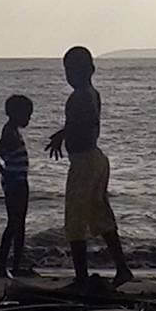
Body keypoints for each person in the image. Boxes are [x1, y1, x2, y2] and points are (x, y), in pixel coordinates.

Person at [47, 46, 132, 289]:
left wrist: (64, 134)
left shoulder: (80, 96)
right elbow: (86, 121)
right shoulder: (91, 93)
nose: (68, 75)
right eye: (67, 70)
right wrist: (63, 134)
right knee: (100, 215)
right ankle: (122, 268)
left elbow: (85, 122)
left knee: (75, 219)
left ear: (85, 70)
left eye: (71, 70)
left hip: (85, 161)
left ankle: (82, 277)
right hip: (94, 159)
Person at [0, 94, 36, 279]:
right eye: (27, 115)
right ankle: (2, 266)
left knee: (19, 224)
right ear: (16, 114)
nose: (28, 119)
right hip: (15, 183)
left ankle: (15, 265)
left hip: (19, 181)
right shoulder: (9, 133)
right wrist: (4, 172)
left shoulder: (13, 131)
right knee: (14, 224)